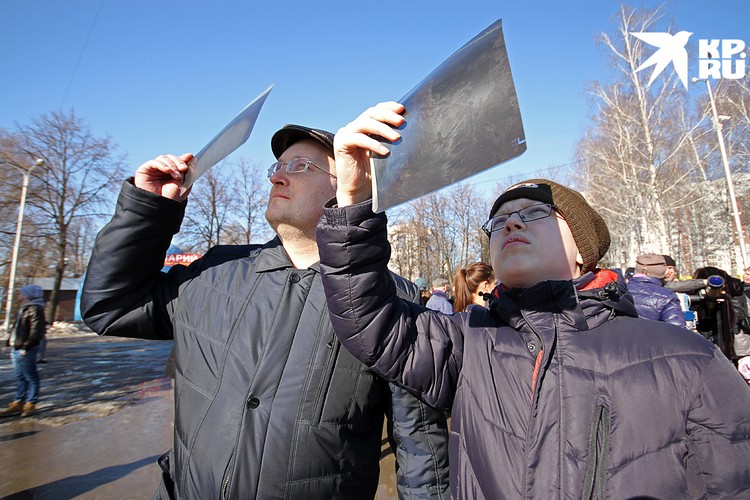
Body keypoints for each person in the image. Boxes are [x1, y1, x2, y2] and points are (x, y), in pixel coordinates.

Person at [315, 101, 750, 498]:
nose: (511, 224)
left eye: (535, 213)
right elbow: (368, 319)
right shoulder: (469, 343)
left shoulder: (688, 359)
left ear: (582, 248)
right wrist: (353, 200)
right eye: (499, 220)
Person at [81, 124, 449, 499]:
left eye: (301, 166)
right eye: (277, 167)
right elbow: (110, 307)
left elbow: (419, 448)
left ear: (349, 185)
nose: (278, 177)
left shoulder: (387, 300)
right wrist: (150, 208)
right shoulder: (213, 273)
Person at [2, 284, 46, 417]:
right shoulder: (24, 308)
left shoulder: (35, 309)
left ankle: (31, 403)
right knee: (20, 376)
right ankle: (18, 402)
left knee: (30, 376)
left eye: (21, 293)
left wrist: (26, 347)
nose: (18, 295)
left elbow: (36, 331)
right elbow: (18, 328)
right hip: (17, 347)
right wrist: (10, 342)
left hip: (26, 349)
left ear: (27, 295)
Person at [627, 253, 686, 327]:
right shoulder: (667, 296)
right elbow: (677, 330)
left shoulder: (618, 292)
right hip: (654, 337)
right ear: (662, 271)